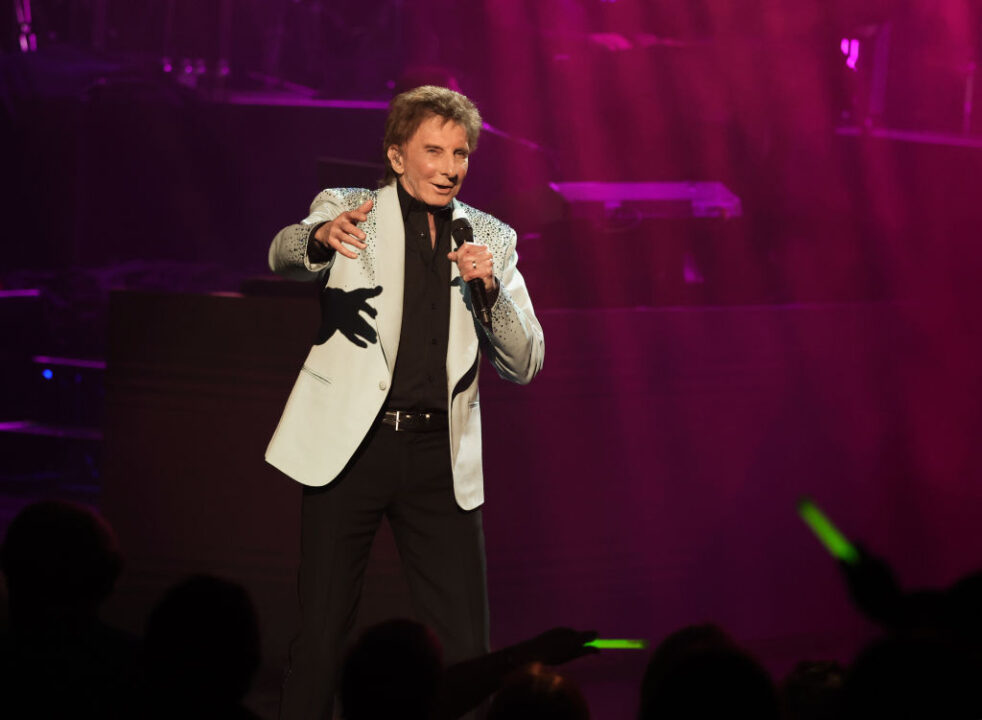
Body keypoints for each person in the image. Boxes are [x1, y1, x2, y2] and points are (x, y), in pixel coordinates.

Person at [266, 85, 544, 720]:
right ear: (397, 156)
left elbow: (526, 363)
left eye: (461, 154)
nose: (449, 168)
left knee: (469, 647)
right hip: (353, 448)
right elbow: (283, 252)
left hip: (438, 458)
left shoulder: (491, 237)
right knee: (321, 638)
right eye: (433, 151)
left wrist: (491, 289)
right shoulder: (350, 208)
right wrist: (318, 239)